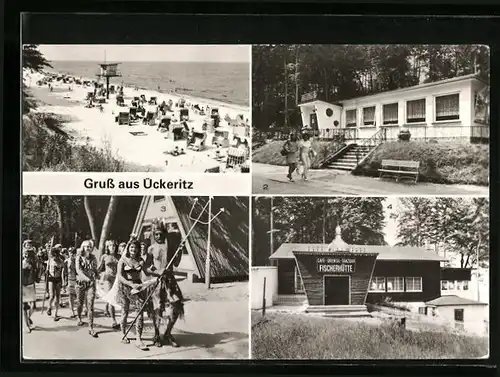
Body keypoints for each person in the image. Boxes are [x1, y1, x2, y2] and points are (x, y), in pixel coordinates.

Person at [144, 225, 184, 348]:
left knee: (177, 305)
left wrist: (180, 251)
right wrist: (157, 272)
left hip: (170, 281)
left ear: (164, 234)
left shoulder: (170, 248)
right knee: (158, 309)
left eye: (161, 234)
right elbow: (146, 268)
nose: (158, 236)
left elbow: (176, 263)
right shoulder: (151, 249)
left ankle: (167, 333)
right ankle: (156, 335)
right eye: (156, 234)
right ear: (153, 235)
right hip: (157, 282)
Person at [111, 239, 153, 350]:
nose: (133, 249)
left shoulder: (140, 260)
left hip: (137, 288)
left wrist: (158, 273)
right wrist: (130, 284)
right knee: (124, 311)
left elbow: (147, 271)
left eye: (135, 247)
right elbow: (119, 276)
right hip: (125, 287)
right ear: (128, 249)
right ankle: (123, 333)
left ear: (138, 249)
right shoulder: (123, 260)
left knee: (139, 311)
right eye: (131, 247)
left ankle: (139, 339)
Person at [75, 240, 99, 338]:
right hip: (80, 283)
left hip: (91, 284)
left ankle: (91, 327)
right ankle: (79, 317)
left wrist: (97, 274)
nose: (88, 248)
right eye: (86, 246)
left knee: (90, 305)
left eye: (89, 246)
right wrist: (87, 278)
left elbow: (95, 269)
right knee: (80, 303)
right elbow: (78, 270)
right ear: (82, 247)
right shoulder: (79, 257)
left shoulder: (93, 258)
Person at [97, 240, 120, 330]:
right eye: (110, 245)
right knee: (111, 299)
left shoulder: (119, 256)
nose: (112, 247)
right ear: (107, 247)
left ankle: (107, 308)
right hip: (108, 279)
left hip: (117, 279)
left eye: (114, 245)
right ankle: (113, 320)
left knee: (114, 298)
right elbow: (99, 267)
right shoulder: (104, 256)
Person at [22, 240, 39, 333]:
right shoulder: (21, 257)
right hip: (23, 284)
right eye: (27, 244)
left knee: (33, 306)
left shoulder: (33, 256)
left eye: (30, 245)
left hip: (31, 283)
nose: (29, 246)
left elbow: (37, 268)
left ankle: (28, 318)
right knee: (24, 306)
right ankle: (26, 325)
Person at [46, 245, 64, 321]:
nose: (55, 257)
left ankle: (55, 314)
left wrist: (63, 282)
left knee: (57, 296)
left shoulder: (61, 261)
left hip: (58, 279)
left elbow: (63, 273)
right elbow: (46, 271)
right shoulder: (50, 261)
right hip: (51, 279)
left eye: (56, 256)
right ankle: (49, 307)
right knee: (52, 296)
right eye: (53, 256)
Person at [62, 247, 78, 318]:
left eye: (73, 253)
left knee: (78, 296)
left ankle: (78, 309)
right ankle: (72, 310)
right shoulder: (66, 261)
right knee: (71, 296)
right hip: (69, 280)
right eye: (70, 252)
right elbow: (64, 272)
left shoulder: (78, 261)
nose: (72, 254)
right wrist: (64, 282)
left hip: (77, 280)